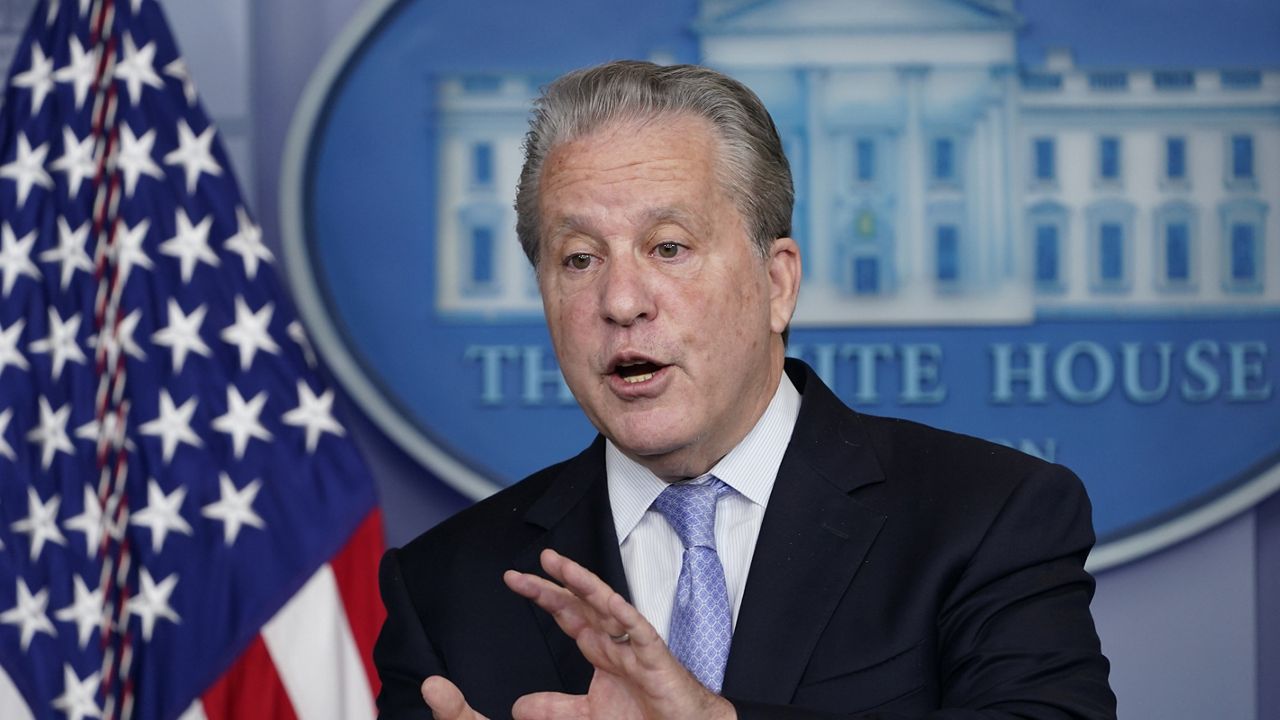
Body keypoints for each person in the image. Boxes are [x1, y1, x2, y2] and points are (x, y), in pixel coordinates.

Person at [373, 60, 1116, 719]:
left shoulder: (989, 516)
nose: (621, 300)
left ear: (776, 283)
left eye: (669, 247)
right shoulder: (445, 587)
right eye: (578, 259)